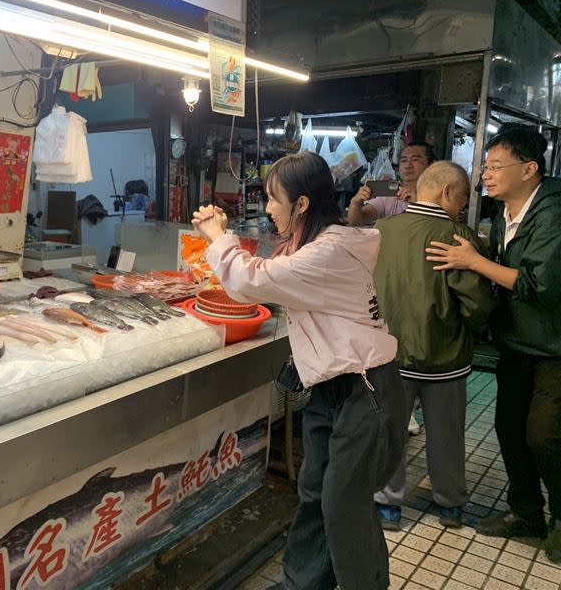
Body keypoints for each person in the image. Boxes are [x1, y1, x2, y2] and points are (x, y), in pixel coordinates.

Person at [192, 152, 407, 590]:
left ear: (303, 204)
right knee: (314, 493)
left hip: (366, 392)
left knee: (343, 504)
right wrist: (224, 235)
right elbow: (271, 273)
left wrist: (217, 236)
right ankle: (303, 583)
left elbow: (253, 279)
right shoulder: (312, 242)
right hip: (331, 390)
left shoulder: (331, 250)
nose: (268, 209)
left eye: (274, 199)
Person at [426, 126, 561, 563]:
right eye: (485, 165)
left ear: (530, 168)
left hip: (555, 346)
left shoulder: (553, 213)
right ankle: (526, 513)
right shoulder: (505, 214)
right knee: (509, 428)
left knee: (545, 435)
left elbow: (539, 286)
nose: (486, 173)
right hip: (517, 343)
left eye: (496, 166)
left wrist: (474, 262)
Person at [372, 161, 494, 531]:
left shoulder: (381, 230)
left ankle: (388, 505)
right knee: (447, 434)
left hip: (390, 354)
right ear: (446, 193)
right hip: (445, 357)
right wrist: (468, 334)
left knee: (390, 430)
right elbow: (476, 304)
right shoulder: (458, 236)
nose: (461, 206)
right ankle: (451, 505)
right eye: (461, 198)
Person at [348, 142, 435, 226]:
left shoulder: (439, 194)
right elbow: (357, 221)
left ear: (431, 165)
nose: (408, 165)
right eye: (404, 160)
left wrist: (418, 203)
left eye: (415, 160)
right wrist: (355, 203)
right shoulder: (391, 194)